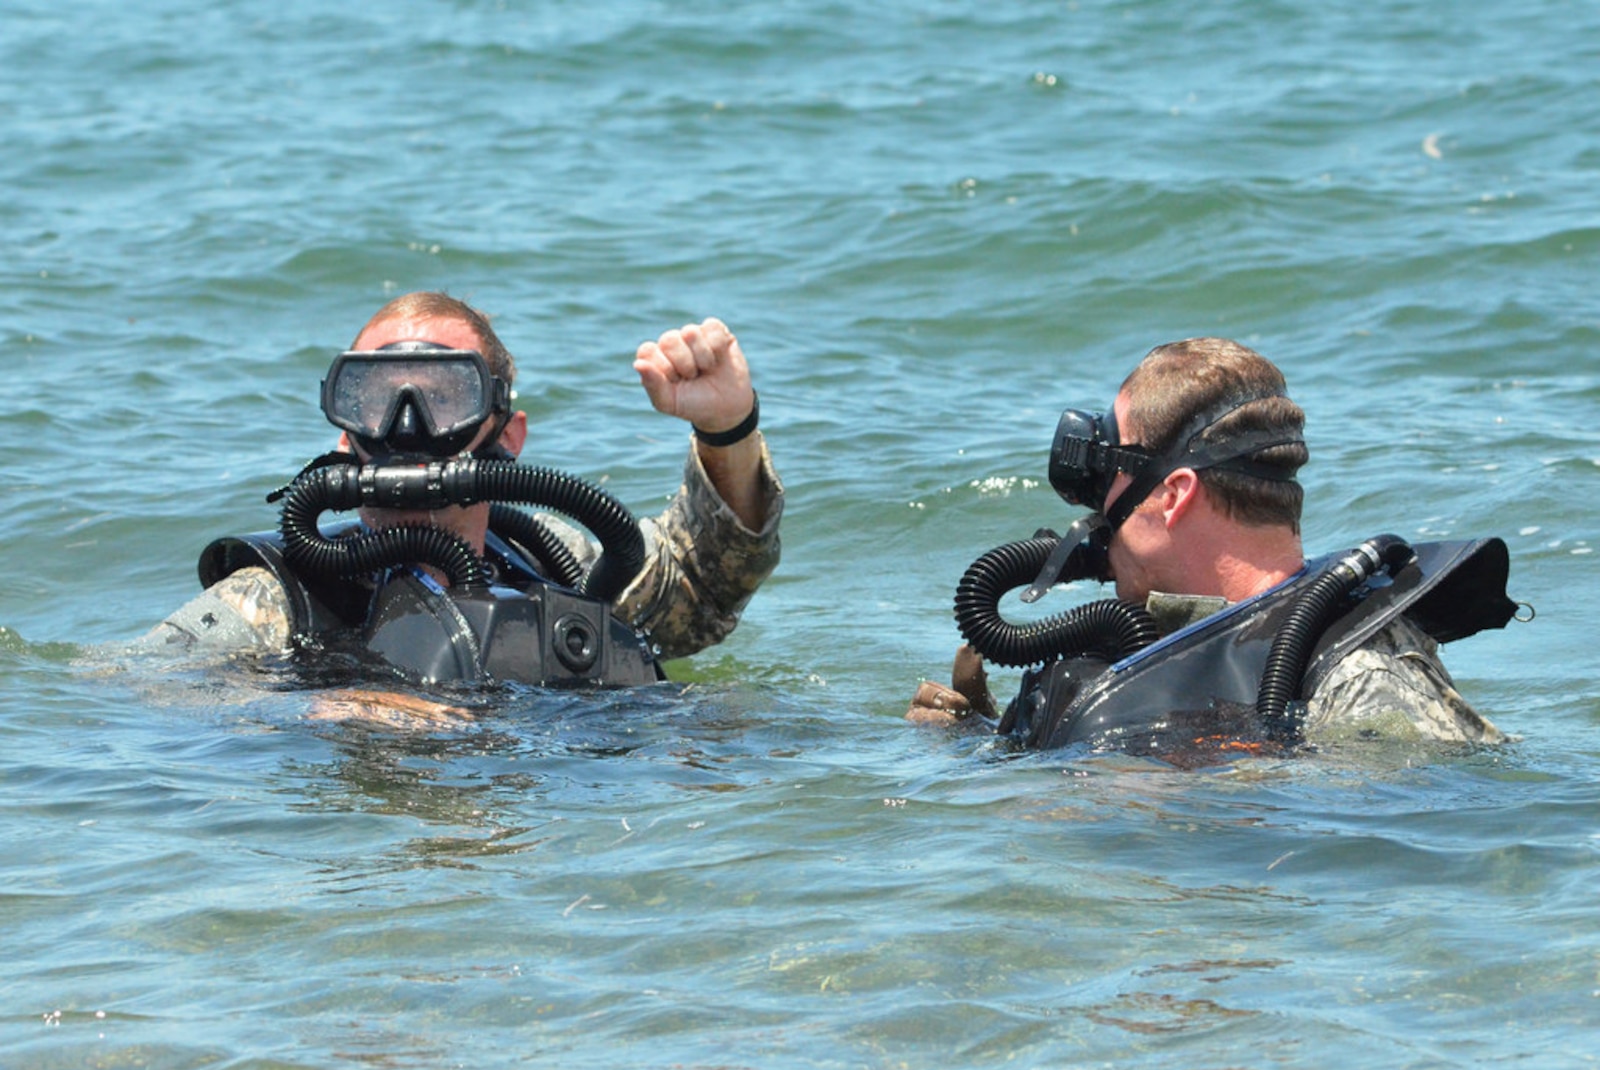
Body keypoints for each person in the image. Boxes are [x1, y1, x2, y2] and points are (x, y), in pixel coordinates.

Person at [908, 337, 1518, 753]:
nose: (1098, 509)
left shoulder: (1358, 670)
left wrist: (1206, 789)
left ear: (1173, 494)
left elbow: (1417, 835)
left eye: (1108, 473)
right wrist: (976, 738)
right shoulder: (1154, 647)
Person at [143, 291, 783, 683]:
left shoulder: (550, 559)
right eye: (376, 400)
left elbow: (699, 591)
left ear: (508, 438)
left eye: (446, 396)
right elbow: (125, 699)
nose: (408, 428)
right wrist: (323, 711)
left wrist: (727, 428)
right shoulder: (276, 602)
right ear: (346, 438)